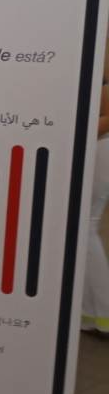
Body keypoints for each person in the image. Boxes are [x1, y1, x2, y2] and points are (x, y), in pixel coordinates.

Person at [83, 82, 109, 334]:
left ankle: (103, 313)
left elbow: (106, 119)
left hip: (101, 146)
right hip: (99, 146)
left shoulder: (105, 83)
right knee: (84, 229)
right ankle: (90, 314)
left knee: (85, 228)